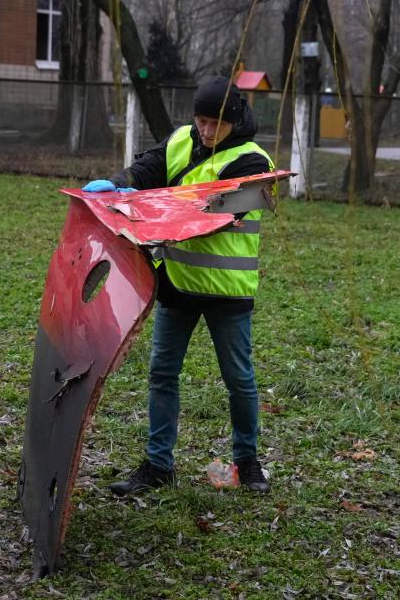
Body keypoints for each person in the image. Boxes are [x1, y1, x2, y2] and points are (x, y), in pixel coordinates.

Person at [82, 76, 274, 495]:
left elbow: (215, 211)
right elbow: (148, 167)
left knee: (239, 379)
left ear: (235, 120)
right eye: (200, 121)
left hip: (228, 292)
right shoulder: (181, 141)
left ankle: (248, 462)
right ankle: (158, 465)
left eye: (215, 124)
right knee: (162, 374)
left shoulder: (254, 162)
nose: (205, 131)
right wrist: (119, 182)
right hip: (178, 284)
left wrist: (152, 202)